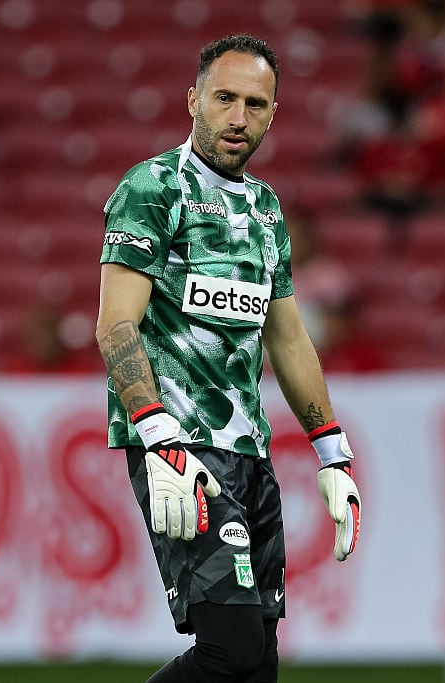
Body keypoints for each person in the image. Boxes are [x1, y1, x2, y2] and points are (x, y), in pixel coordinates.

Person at [96, 35, 362, 682]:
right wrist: (158, 439)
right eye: (224, 99)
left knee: (259, 665)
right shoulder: (154, 188)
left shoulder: (267, 211)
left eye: (255, 103)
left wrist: (332, 450)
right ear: (193, 101)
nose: (238, 117)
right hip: (181, 449)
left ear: (273, 114)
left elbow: (289, 338)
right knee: (230, 650)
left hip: (250, 454)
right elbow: (115, 325)